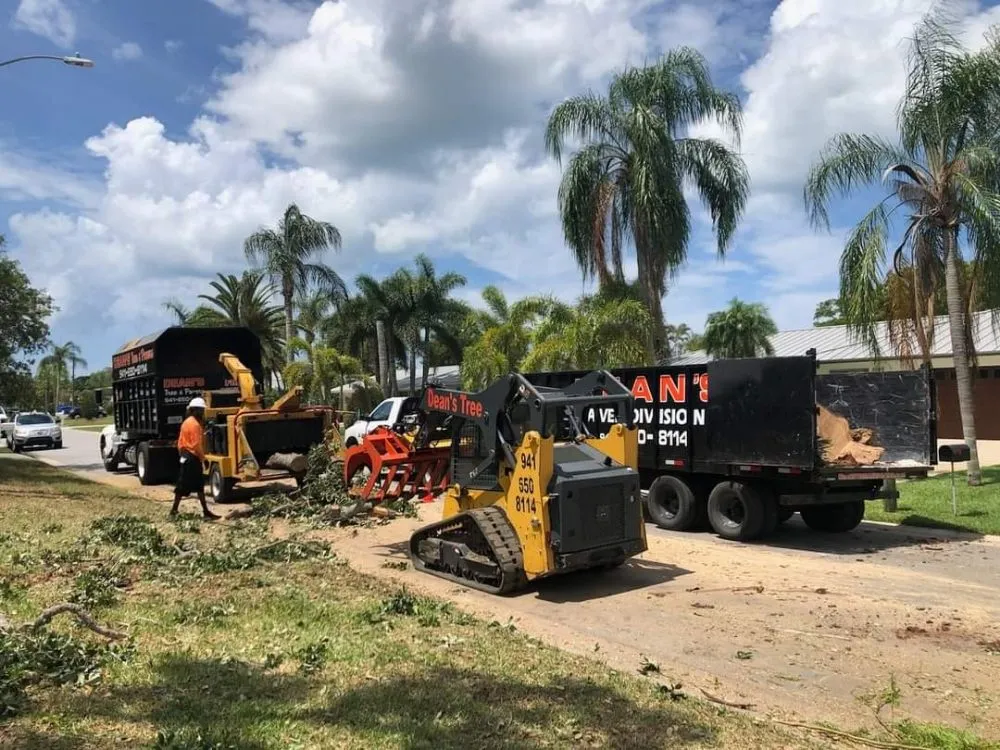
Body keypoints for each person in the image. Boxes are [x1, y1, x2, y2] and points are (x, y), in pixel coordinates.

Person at [170, 396, 220, 519]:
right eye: (201, 411)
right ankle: (174, 510)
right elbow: (196, 445)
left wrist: (182, 455)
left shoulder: (186, 422)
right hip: (192, 457)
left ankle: (205, 511)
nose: (203, 413)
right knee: (183, 486)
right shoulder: (195, 425)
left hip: (186, 456)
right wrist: (204, 459)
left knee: (198, 485)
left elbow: (180, 442)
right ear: (196, 410)